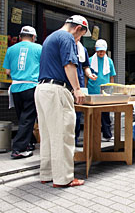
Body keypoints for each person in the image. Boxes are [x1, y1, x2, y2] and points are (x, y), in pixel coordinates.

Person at [35, 15, 89, 187]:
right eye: (81, 35)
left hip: (42, 89)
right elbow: (69, 64)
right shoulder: (67, 37)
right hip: (57, 90)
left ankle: (47, 173)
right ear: (78, 28)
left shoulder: (50, 37)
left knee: (49, 135)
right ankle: (64, 178)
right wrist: (77, 89)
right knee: (64, 135)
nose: (78, 39)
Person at [3, 26, 42, 159]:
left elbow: (7, 71)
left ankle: (29, 143)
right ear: (33, 37)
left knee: (23, 118)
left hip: (15, 88)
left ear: (20, 37)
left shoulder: (11, 49)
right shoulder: (39, 48)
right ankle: (18, 149)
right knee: (28, 118)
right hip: (31, 87)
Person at [87, 39, 116, 141]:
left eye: (103, 51)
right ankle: (92, 135)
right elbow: (86, 75)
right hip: (92, 89)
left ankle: (107, 135)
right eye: (99, 50)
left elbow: (112, 76)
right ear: (95, 49)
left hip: (105, 91)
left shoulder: (109, 61)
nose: (101, 53)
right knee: (92, 114)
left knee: (105, 114)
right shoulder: (90, 60)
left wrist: (111, 88)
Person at [74, 39, 97, 147]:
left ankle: (75, 139)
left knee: (78, 113)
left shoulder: (83, 49)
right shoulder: (65, 45)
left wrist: (89, 75)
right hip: (67, 84)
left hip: (80, 85)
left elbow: (86, 67)